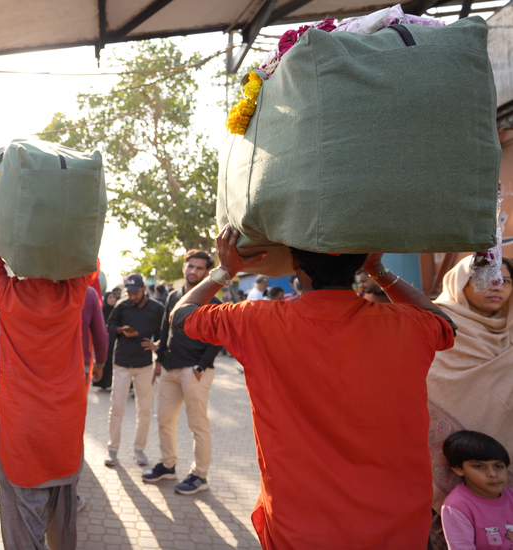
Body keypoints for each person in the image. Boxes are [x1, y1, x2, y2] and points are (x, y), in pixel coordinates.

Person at [171, 225, 455, 549]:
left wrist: (225, 270)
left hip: (300, 525)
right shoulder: (407, 323)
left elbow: (182, 316)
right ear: (359, 263)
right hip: (398, 523)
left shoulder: (256, 319)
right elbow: (446, 325)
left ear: (295, 263)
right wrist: (379, 270)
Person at [0, 161, 91, 550]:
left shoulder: (7, 296)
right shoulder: (74, 295)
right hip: (65, 424)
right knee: (63, 518)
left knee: (24, 526)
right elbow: (87, 251)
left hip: (22, 428)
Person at [427, 258, 513, 517]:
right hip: (445, 454)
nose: (496, 286)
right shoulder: (435, 323)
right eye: (483, 279)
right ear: (459, 284)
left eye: (505, 281)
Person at [143, 250, 222, 496]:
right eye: (190, 266)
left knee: (198, 425)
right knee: (164, 420)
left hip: (195, 371)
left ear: (206, 272)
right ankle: (168, 465)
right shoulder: (173, 296)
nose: (193, 271)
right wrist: (159, 360)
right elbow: (165, 328)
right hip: (169, 368)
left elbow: (219, 337)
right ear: (184, 267)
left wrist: (201, 366)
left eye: (199, 268)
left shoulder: (212, 301)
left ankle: (200, 476)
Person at [105, 273, 165, 467]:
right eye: (129, 293)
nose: (132, 296)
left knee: (144, 410)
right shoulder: (121, 306)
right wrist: (122, 331)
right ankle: (112, 449)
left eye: (136, 293)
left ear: (144, 289)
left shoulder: (157, 308)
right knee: (117, 408)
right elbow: (110, 327)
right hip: (121, 363)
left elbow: (165, 334)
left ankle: (139, 448)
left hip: (144, 365)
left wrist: (156, 345)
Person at [439, 430, 513, 550]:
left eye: (498, 466)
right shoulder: (457, 506)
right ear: (458, 469)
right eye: (479, 466)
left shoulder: (511, 495)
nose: (493, 474)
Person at [93, 291, 120, 390]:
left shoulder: (117, 310)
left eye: (113, 297)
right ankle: (103, 383)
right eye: (110, 297)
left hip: (115, 339)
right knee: (106, 361)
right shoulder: (102, 311)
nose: (112, 299)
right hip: (105, 340)